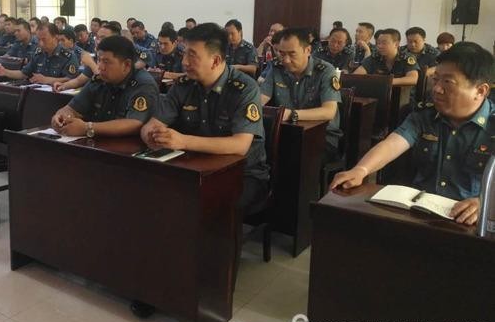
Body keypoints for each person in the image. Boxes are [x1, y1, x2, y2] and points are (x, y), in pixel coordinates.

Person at [331, 42, 494, 226]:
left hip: (469, 222)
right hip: (420, 214)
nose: (437, 89)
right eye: (436, 79)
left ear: (480, 91)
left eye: (448, 82)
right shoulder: (425, 115)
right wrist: (362, 169)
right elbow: (393, 143)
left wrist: (485, 203)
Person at [141, 23, 268, 212]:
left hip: (242, 173)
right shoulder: (183, 85)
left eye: (192, 55)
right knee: (147, 191)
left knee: (203, 206)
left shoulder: (244, 89)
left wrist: (183, 141)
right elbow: (151, 125)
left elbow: (240, 145)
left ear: (215, 60)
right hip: (194, 167)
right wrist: (151, 136)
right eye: (184, 53)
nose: (184, 62)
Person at [260, 27, 342, 161]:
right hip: (286, 133)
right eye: (282, 53)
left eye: (292, 54)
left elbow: (329, 111)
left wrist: (291, 114)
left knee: (287, 156)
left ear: (307, 50)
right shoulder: (277, 69)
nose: (286, 60)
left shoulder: (325, 71)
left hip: (321, 137)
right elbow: (261, 99)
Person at [51, 36, 159, 137]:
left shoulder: (143, 84)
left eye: (106, 62)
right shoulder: (99, 80)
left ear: (126, 65)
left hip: (128, 145)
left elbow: (134, 123)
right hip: (96, 143)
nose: (100, 67)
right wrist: (60, 117)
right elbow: (71, 109)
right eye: (99, 60)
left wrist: (87, 128)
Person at [0, 23, 79, 84]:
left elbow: (72, 80)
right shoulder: (38, 54)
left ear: (56, 37)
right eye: (38, 39)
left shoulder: (68, 56)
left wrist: (47, 80)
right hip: (37, 94)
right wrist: (5, 72)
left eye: (44, 39)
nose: (40, 43)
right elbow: (24, 73)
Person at [353, 28, 419, 86]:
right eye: (378, 43)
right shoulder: (375, 57)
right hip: (379, 94)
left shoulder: (407, 57)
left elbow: (413, 79)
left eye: (384, 43)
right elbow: (355, 76)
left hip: (401, 94)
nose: (380, 46)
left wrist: (386, 81)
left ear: (396, 44)